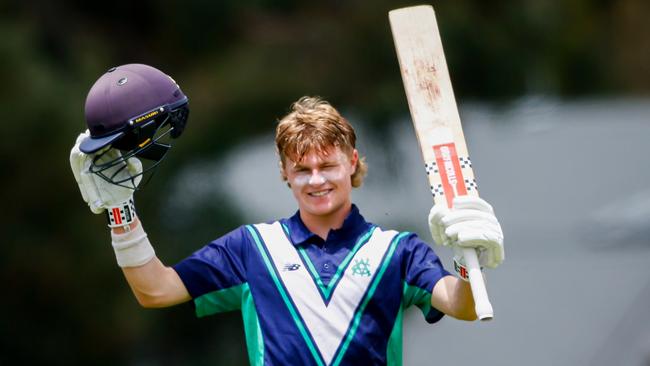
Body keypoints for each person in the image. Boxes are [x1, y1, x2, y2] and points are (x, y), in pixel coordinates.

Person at [70, 66, 504, 366]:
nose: (316, 181)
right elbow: (155, 291)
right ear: (284, 172)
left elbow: (462, 305)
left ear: (352, 162)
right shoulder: (250, 249)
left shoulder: (398, 251)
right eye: (302, 169)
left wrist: (469, 259)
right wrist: (120, 210)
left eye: (328, 166)